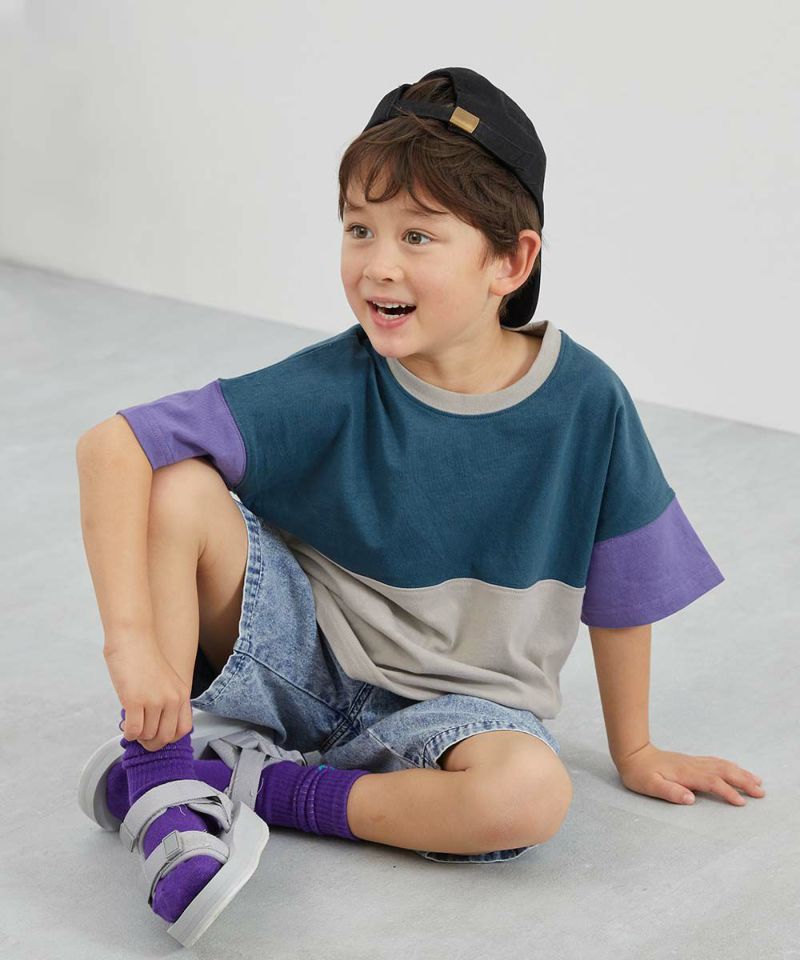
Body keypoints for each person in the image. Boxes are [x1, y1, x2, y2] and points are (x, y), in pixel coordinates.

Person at [75, 66, 765, 942]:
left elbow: (622, 585)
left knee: (530, 795)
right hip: (303, 661)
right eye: (358, 228)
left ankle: (260, 785)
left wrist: (635, 750)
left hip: (466, 709)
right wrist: (133, 646)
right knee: (177, 483)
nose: (378, 264)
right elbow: (112, 445)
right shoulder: (337, 380)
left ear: (510, 261)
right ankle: (163, 778)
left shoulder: (586, 402)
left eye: (418, 235)